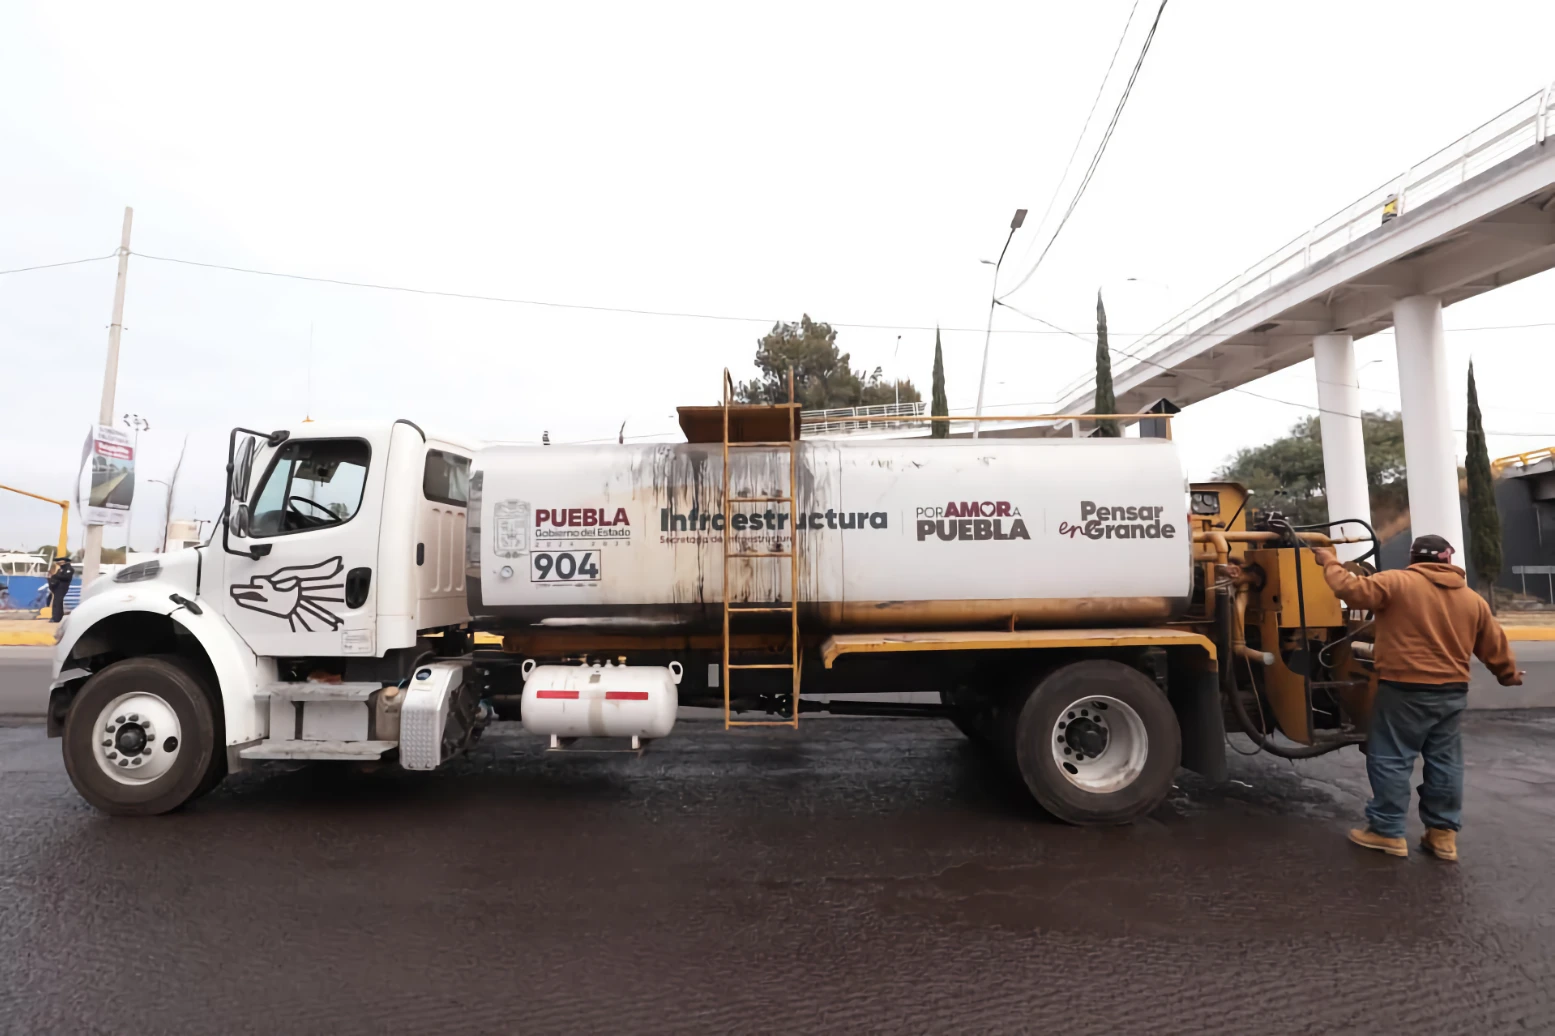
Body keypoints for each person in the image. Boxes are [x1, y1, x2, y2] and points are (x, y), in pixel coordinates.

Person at [1311, 534, 1520, 862]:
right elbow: (1494, 644)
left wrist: (1329, 562)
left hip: (1403, 689)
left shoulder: (1396, 583)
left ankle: (1386, 831)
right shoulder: (1472, 599)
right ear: (1448, 560)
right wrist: (1508, 675)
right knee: (1445, 761)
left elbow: (1350, 589)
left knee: (1391, 757)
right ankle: (1442, 836)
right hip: (1451, 692)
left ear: (1413, 558)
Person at [46, 557, 75, 624]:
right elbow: (55, 577)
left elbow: (66, 577)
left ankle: (56, 618)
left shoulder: (69, 569)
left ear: (64, 561)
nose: (58, 562)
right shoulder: (60, 569)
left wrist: (55, 576)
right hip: (57, 587)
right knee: (57, 602)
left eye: (59, 561)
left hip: (62, 587)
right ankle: (57, 617)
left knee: (57, 603)